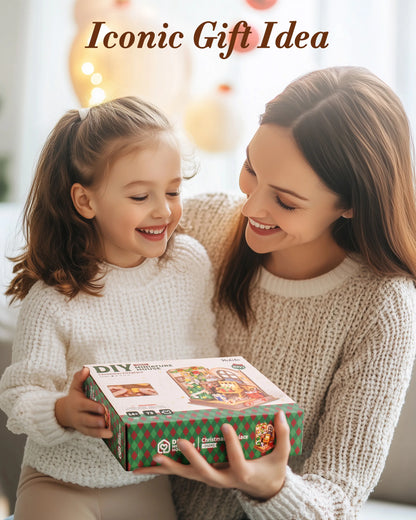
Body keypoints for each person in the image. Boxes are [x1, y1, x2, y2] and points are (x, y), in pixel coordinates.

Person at [135, 66, 416, 519]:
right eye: (250, 169)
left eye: (285, 201)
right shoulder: (203, 225)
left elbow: (338, 502)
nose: (251, 206)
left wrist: (270, 487)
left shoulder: (382, 306)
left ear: (349, 204)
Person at [0, 96, 218, 520]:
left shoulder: (189, 264)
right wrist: (62, 409)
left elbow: (204, 364)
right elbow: (18, 394)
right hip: (58, 483)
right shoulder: (54, 296)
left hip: (147, 482)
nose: (163, 210)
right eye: (140, 196)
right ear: (85, 201)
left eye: (173, 190)